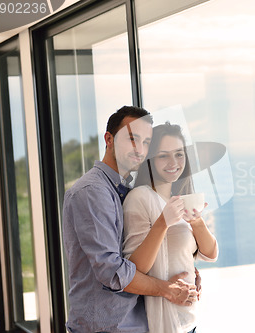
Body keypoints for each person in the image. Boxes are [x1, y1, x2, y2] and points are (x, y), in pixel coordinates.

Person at [63, 106, 198, 333]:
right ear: (109, 139)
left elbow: (141, 252)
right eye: (132, 139)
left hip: (137, 323)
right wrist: (167, 289)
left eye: (146, 142)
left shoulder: (126, 190)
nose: (140, 149)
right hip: (105, 327)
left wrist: (187, 273)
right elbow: (113, 272)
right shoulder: (92, 191)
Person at [122, 122, 218, 333]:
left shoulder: (181, 197)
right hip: (166, 323)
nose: (173, 162)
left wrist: (196, 221)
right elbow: (135, 270)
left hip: (190, 320)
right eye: (163, 155)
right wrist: (163, 223)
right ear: (150, 159)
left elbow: (211, 254)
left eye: (179, 154)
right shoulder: (140, 198)